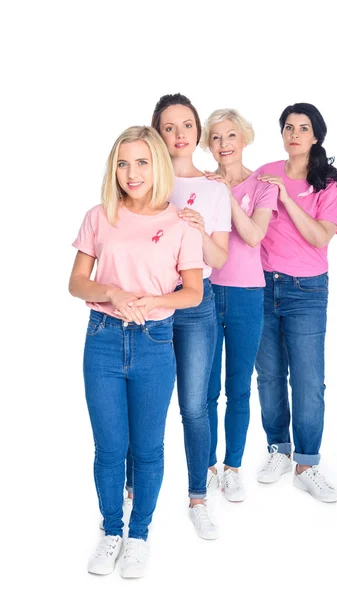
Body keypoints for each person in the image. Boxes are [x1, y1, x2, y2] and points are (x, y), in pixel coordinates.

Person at [69, 125, 204, 577]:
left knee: (147, 449)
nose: (132, 172)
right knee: (110, 448)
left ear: (157, 166)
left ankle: (139, 534)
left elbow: (193, 292)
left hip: (154, 343)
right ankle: (111, 531)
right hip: (102, 338)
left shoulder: (178, 222)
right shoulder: (99, 215)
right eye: (123, 163)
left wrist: (154, 301)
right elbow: (76, 284)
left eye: (142, 161)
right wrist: (111, 291)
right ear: (114, 168)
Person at [128, 93, 231, 540]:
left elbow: (220, 259)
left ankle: (197, 498)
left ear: (196, 131)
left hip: (194, 304)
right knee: (140, 403)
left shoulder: (213, 189)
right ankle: (129, 492)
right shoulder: (143, 181)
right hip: (148, 303)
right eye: (168, 127)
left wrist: (199, 228)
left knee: (193, 405)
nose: (179, 134)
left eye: (186, 124)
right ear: (157, 133)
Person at [254, 103, 337, 502]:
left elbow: (320, 237)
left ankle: (307, 464)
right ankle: (279, 449)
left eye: (302, 128)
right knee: (270, 375)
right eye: (288, 127)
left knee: (308, 381)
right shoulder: (265, 173)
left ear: (315, 136)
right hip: (258, 286)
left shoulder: (330, 181)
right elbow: (236, 200)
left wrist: (287, 200)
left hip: (306, 291)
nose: (294, 134)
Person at [200, 109, 278, 501]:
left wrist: (225, 196)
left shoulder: (263, 186)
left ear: (244, 139)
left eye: (231, 136)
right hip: (207, 292)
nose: (224, 144)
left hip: (248, 294)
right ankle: (208, 467)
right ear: (207, 144)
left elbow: (253, 236)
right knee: (206, 389)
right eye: (215, 137)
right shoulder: (202, 183)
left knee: (239, 389)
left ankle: (232, 467)